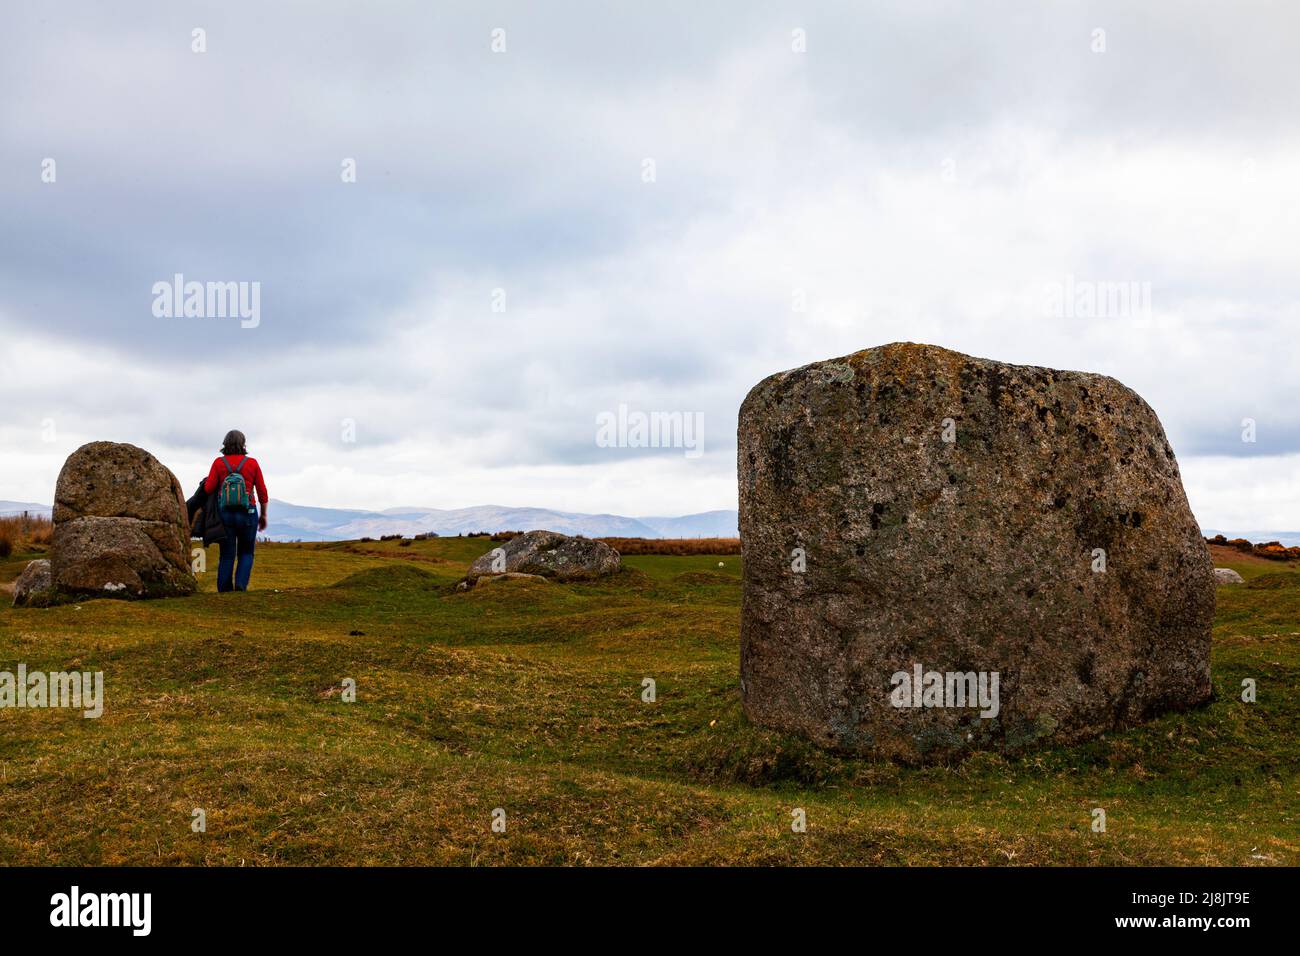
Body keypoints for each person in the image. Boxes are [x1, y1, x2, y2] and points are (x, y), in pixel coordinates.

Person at [203, 430, 269, 592]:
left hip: (225, 514)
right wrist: (264, 515)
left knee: (226, 554)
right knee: (246, 552)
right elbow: (262, 492)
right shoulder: (252, 463)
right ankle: (240, 585)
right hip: (248, 512)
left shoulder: (219, 463)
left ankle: (224, 589)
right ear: (243, 444)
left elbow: (208, 488)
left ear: (225, 444)